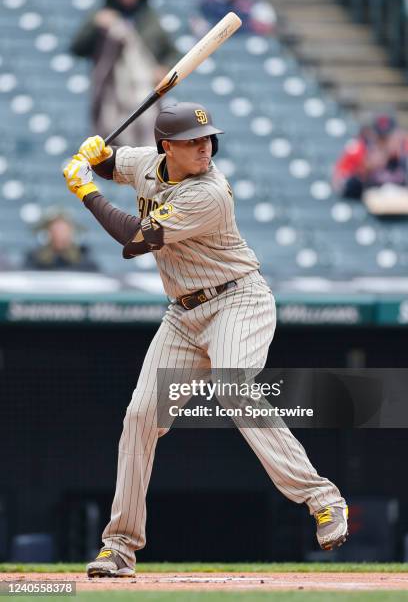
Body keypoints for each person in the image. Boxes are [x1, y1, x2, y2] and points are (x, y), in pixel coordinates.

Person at [63, 102, 348, 577]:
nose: (205, 147)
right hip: (183, 316)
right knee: (139, 417)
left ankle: (323, 498)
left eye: (208, 139)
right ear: (166, 147)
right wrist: (99, 156)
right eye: (194, 141)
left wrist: (86, 190)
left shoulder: (210, 192)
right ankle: (119, 547)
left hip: (238, 299)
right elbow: (119, 165)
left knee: (233, 386)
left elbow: (134, 238)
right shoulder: (147, 164)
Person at [70, 0, 179, 146]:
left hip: (144, 92)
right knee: (111, 142)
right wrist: (96, 24)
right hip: (111, 94)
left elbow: (171, 53)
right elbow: (77, 48)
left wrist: (164, 68)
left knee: (146, 142)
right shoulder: (102, 13)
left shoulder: (150, 18)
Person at [333, 114, 408, 200]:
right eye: (381, 137)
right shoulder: (360, 149)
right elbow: (339, 184)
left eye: (388, 137)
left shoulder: (404, 147)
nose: (384, 141)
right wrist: (364, 169)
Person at [24, 210, 99, 271]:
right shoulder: (36, 258)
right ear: (49, 232)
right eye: (56, 230)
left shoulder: (83, 257)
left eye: (63, 230)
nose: (60, 234)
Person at [198, 0, 276, 36]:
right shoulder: (212, 2)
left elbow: (267, 27)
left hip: (244, 38)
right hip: (219, 38)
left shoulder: (254, 3)